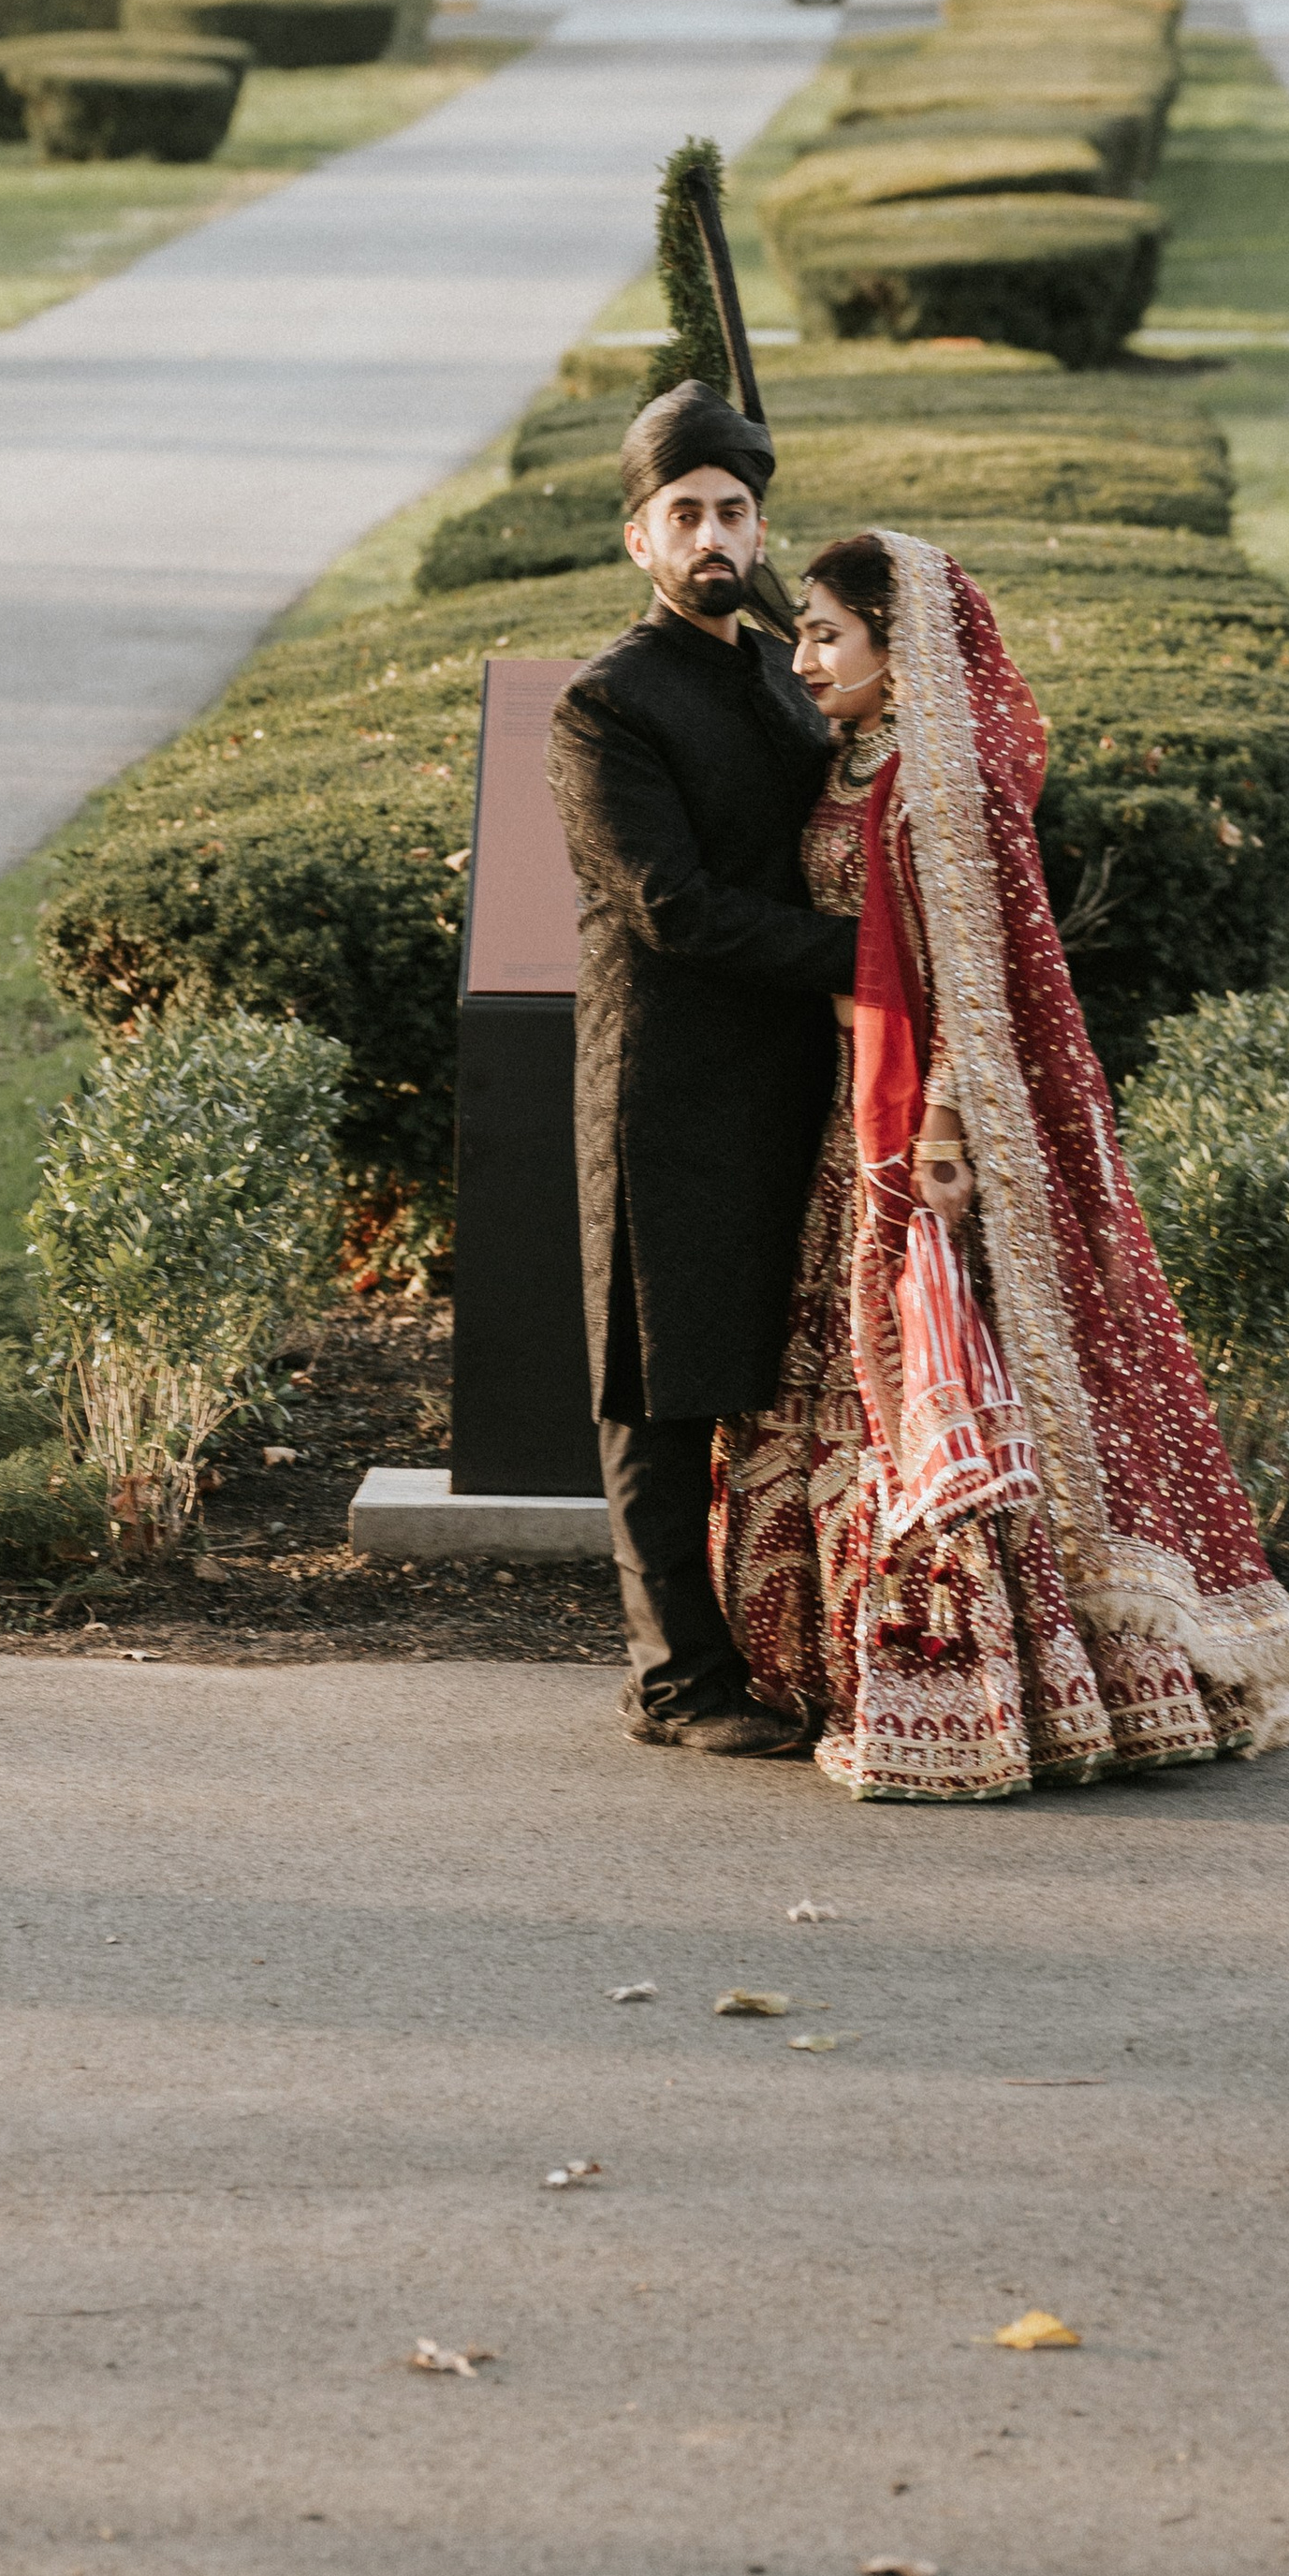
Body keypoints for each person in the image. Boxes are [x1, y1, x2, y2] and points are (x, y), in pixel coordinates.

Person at [713, 526, 1289, 1801]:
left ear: (902, 654)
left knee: (946, 1369)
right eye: (806, 633)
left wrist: (946, 1133)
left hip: (930, 1128)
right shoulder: (853, 761)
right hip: (848, 1111)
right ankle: (850, 1660)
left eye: (828, 633)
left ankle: (995, 1685)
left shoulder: (943, 786)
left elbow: (988, 985)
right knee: (849, 1375)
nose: (806, 655)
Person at [545, 380, 855, 1758]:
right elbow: (670, 905)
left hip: (793, 1066)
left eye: (732, 510)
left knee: (773, 1362)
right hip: (664, 1077)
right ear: (641, 541)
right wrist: (860, 951)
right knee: (658, 1374)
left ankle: (792, 1639)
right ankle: (676, 1678)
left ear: (760, 523)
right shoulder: (605, 703)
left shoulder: (791, 672)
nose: (712, 533)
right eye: (686, 514)